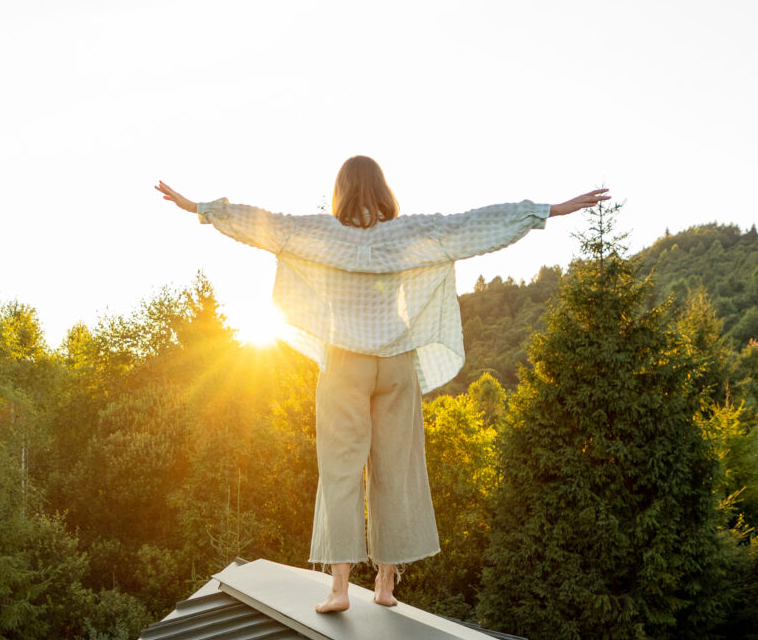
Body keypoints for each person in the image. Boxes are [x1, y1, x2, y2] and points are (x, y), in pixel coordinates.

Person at [156, 158, 609, 613]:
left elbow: (259, 223)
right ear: (381, 189)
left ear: (341, 190)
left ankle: (338, 590)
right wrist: (549, 210)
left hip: (345, 363)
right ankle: (387, 586)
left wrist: (198, 207)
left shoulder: (322, 232)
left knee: (341, 469)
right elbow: (476, 224)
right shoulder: (409, 232)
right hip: (395, 363)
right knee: (397, 467)